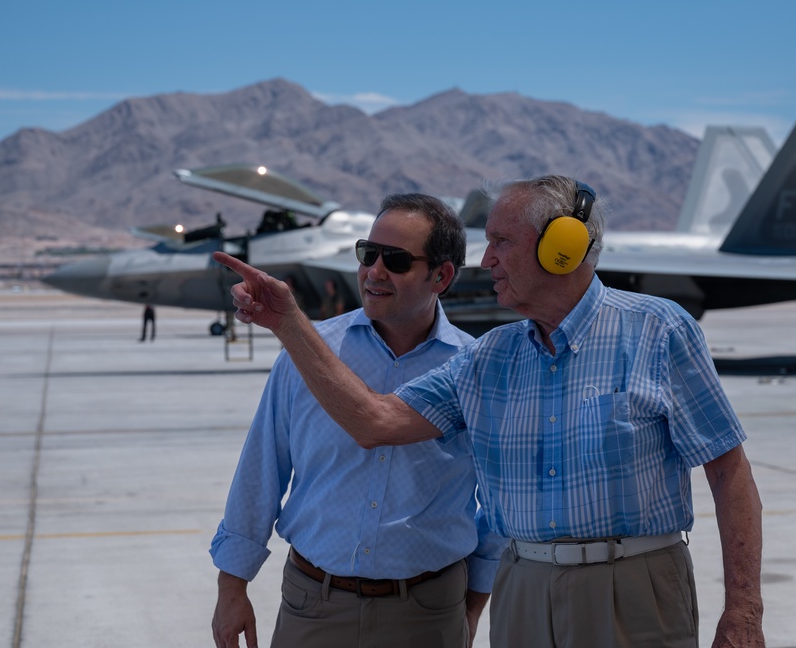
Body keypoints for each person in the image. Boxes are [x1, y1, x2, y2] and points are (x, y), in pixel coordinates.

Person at [215, 176, 765, 647]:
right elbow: (373, 421)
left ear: (562, 249)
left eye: (501, 240)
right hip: (521, 591)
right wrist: (291, 324)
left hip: (630, 587)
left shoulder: (659, 330)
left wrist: (744, 609)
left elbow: (727, 470)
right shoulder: (492, 359)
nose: (487, 259)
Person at [210, 193, 507, 648]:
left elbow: (497, 505)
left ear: (442, 276)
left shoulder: (474, 369)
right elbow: (261, 469)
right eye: (368, 254)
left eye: (397, 260)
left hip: (427, 614)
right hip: (314, 607)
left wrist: (470, 605)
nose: (375, 272)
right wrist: (232, 588)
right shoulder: (308, 353)